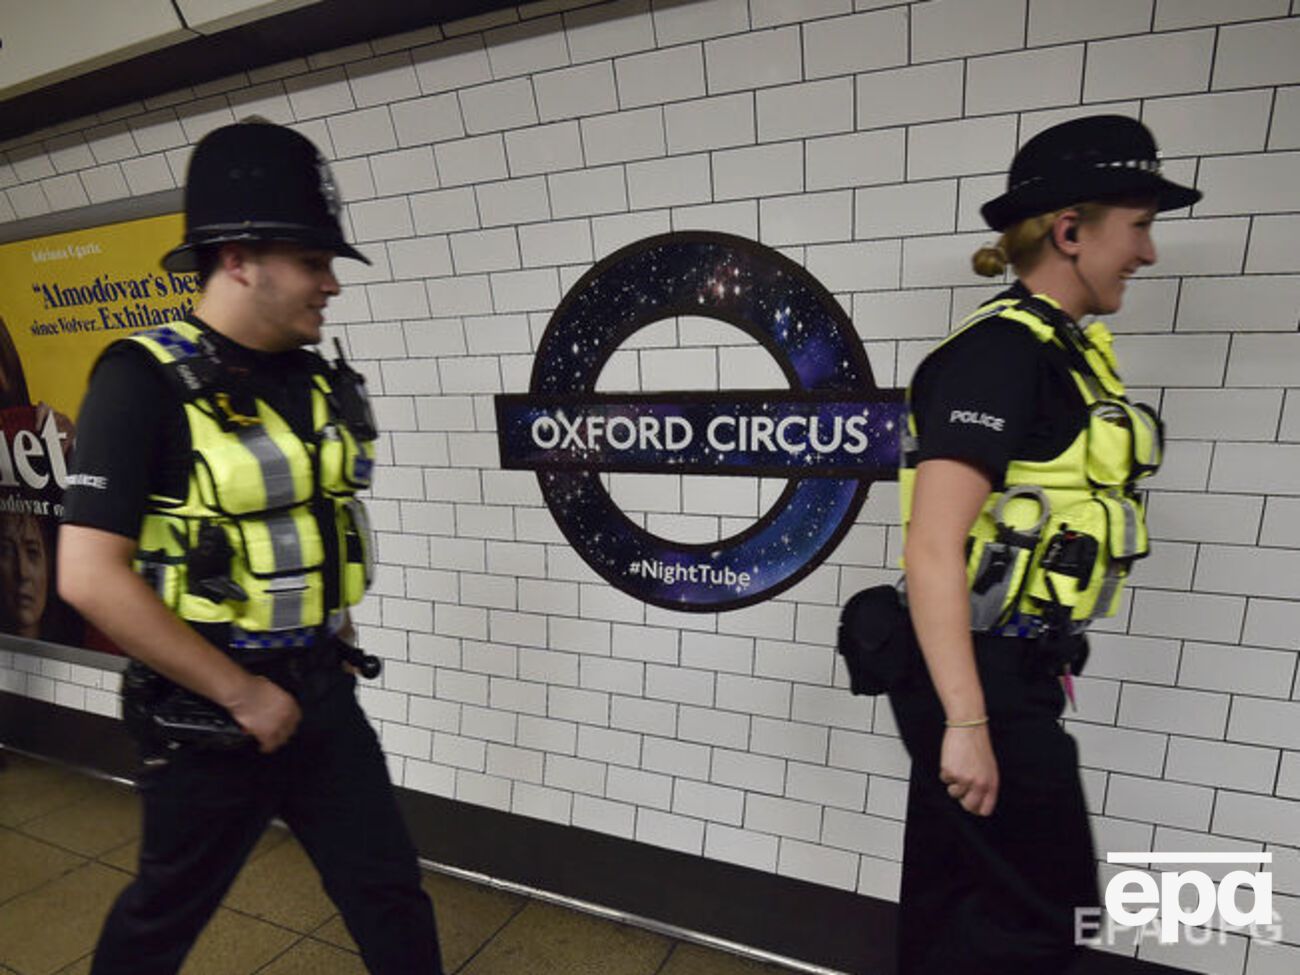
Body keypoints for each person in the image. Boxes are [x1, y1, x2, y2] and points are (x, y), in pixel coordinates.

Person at [57, 120, 444, 975]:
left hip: (318, 685)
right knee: (162, 918)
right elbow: (86, 576)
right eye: (312, 261)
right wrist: (242, 694)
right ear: (237, 257)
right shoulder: (139, 379)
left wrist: (328, 645)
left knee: (388, 891)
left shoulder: (309, 375)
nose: (331, 284)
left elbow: (309, 521)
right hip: (206, 713)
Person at [888, 115, 1199, 973]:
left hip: (1008, 667)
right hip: (976, 674)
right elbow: (932, 547)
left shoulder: (1061, 352)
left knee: (962, 889)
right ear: (1070, 230)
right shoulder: (997, 356)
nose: (1148, 252)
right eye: (1137, 225)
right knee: (1046, 910)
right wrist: (968, 721)